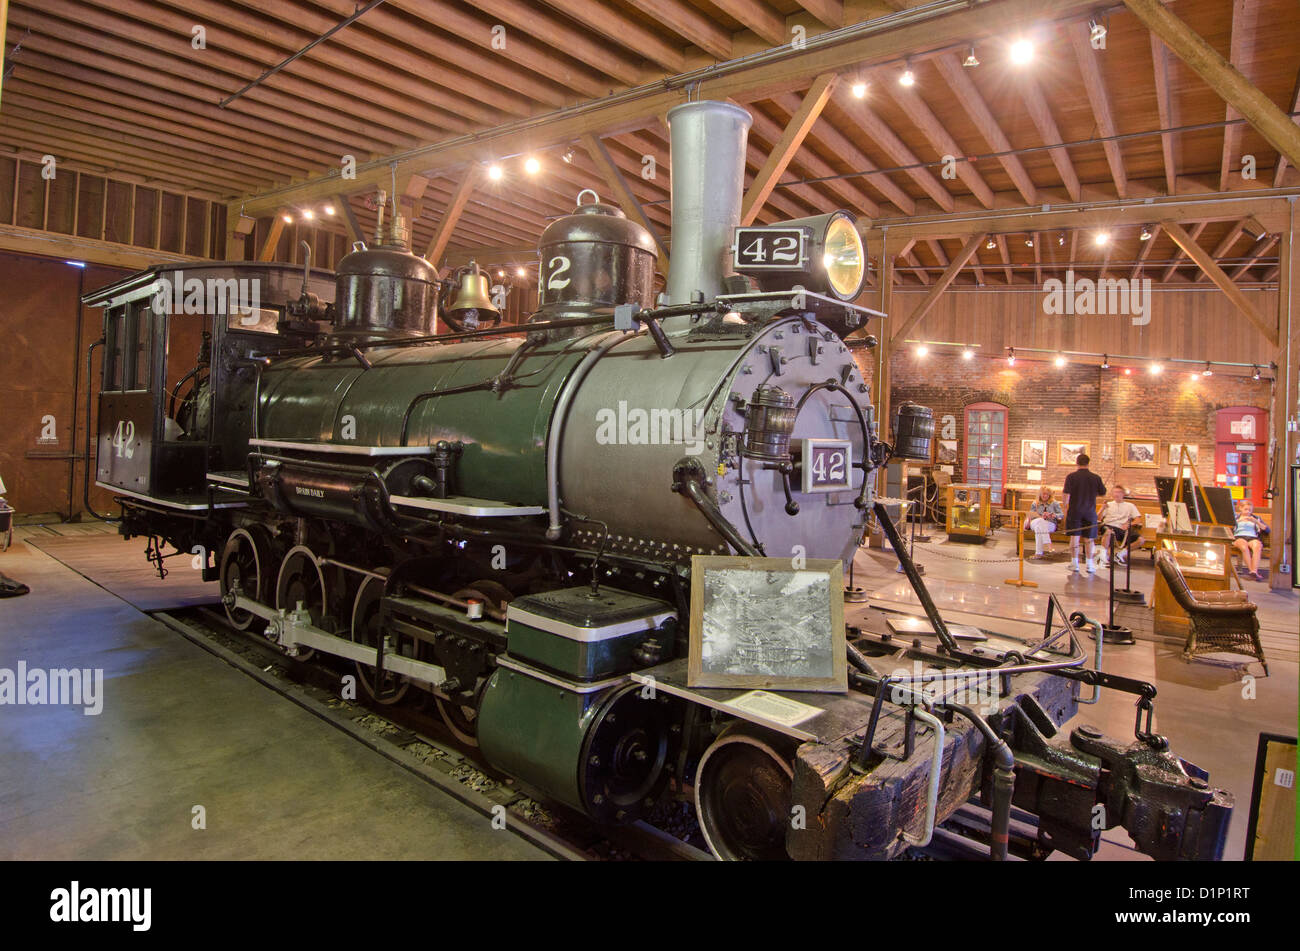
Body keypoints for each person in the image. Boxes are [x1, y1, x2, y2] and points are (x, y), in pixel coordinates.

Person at [1061, 453, 1106, 574]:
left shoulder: (1071, 477)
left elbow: (1066, 494)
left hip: (1075, 510)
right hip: (1090, 511)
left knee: (1074, 537)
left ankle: (1074, 563)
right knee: (1089, 539)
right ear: (1088, 463)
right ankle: (1089, 565)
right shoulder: (1095, 477)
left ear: (1077, 463)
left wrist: (1065, 507)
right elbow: (1102, 492)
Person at [1096, 485, 1143, 567]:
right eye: (1115, 492)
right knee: (1108, 532)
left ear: (1123, 494)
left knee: (1141, 540)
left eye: (1119, 492)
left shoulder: (1130, 505)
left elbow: (1138, 520)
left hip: (1123, 528)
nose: (1116, 494)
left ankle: (1119, 555)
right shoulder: (1108, 505)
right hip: (1109, 526)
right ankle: (1103, 557)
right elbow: (1098, 519)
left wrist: (1129, 524)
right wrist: (1102, 508)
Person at [1232, 499, 1268, 581]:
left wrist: (1256, 522)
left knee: (1257, 546)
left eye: (1250, 510)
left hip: (1252, 537)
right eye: (1246, 509)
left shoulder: (1256, 518)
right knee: (1244, 546)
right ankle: (1253, 572)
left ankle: (1253, 572)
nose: (1248, 512)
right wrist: (1238, 521)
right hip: (1239, 536)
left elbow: (1267, 529)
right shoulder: (1236, 517)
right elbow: (1229, 527)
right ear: (1240, 509)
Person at [1028, 487, 1063, 558]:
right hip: (1035, 522)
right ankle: (1049, 545)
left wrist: (1054, 515)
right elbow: (1030, 515)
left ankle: (1038, 553)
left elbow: (1061, 515)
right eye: (1043, 494)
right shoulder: (1035, 503)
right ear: (1040, 494)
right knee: (1040, 521)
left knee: (1039, 527)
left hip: (1050, 524)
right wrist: (1040, 517)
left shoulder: (1054, 503)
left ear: (1050, 495)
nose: (1045, 496)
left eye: (1047, 494)